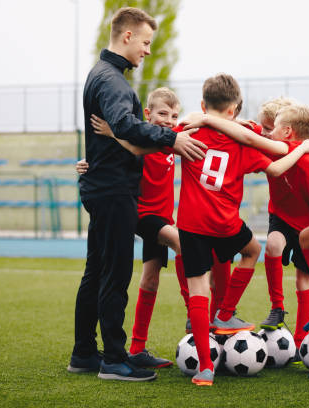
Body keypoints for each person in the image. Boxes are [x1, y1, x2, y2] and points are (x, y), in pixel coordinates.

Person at [183, 104, 309, 380]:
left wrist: (205, 118)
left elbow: (251, 139)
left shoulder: (289, 148)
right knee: (306, 239)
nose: (269, 132)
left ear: (287, 132)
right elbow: (250, 132)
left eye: (273, 127)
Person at [68, 7, 207, 382]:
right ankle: (114, 359)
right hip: (113, 191)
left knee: (96, 272)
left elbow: (119, 132)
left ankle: (84, 353)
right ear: (126, 36)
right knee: (113, 275)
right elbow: (125, 124)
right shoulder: (112, 80)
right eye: (145, 42)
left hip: (104, 187)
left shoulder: (103, 74)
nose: (147, 50)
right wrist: (172, 138)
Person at [176, 73, 309, 386]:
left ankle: (204, 369)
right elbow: (274, 166)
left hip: (189, 223)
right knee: (252, 250)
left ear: (203, 104)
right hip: (225, 222)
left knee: (198, 288)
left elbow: (156, 143)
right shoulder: (241, 141)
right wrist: (304, 148)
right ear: (233, 111)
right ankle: (226, 312)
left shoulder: (188, 130)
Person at [76, 88, 232, 369]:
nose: (169, 120)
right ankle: (195, 315)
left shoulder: (175, 136)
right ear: (148, 114)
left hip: (162, 216)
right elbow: (126, 151)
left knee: (150, 279)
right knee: (183, 243)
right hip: (141, 214)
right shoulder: (141, 138)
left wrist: (237, 123)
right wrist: (90, 162)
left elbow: (201, 119)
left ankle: (137, 348)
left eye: (174, 115)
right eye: (162, 113)